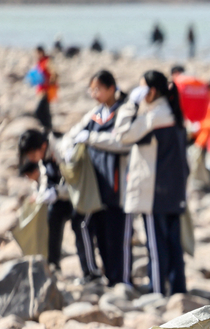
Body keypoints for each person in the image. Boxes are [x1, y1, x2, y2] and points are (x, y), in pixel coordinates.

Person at [80, 70, 189, 296]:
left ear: (150, 91)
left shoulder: (154, 116)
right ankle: (177, 290)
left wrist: (131, 102)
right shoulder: (172, 113)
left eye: (142, 88)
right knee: (173, 243)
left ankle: (158, 290)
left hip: (154, 191)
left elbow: (122, 134)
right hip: (173, 189)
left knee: (156, 245)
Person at [63, 70, 133, 287]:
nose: (94, 94)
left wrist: (91, 138)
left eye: (98, 89)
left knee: (118, 236)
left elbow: (123, 142)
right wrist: (69, 147)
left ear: (111, 88)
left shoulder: (124, 111)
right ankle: (109, 278)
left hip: (118, 186)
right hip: (96, 186)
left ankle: (122, 280)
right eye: (92, 90)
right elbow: (73, 134)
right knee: (101, 234)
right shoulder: (95, 114)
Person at [18, 130, 73, 275]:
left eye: (31, 154)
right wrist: (42, 195)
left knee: (81, 227)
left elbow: (75, 180)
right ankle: (53, 264)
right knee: (52, 221)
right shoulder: (43, 159)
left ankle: (91, 273)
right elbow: (45, 180)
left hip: (76, 197)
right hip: (61, 197)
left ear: (42, 146)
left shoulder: (62, 149)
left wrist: (57, 192)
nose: (31, 158)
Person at [27, 47, 57, 133]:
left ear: (41, 52)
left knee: (40, 111)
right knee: (45, 111)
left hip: (46, 92)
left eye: (37, 53)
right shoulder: (40, 62)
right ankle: (48, 130)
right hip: (41, 91)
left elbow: (54, 74)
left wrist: (48, 83)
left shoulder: (47, 61)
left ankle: (47, 129)